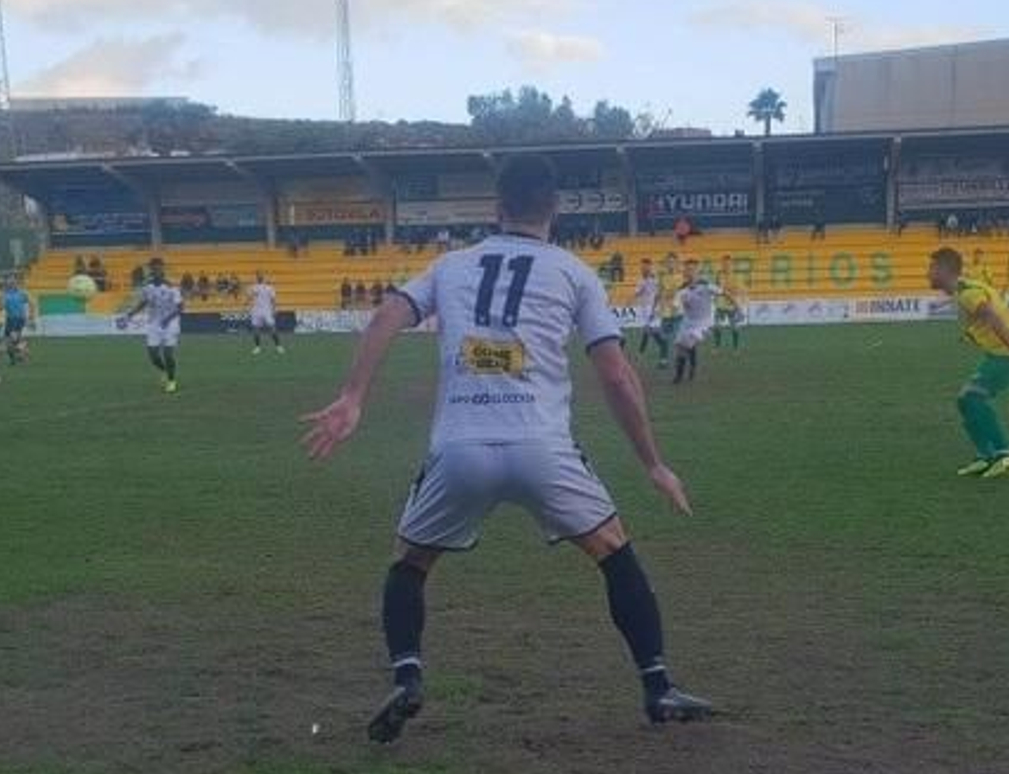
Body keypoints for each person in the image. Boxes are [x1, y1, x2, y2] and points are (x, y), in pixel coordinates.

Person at [301, 155, 711, 741]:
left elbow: (389, 313)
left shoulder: (451, 265)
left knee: (409, 563)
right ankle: (657, 686)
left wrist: (352, 397)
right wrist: (653, 463)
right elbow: (617, 375)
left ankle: (408, 676)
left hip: (460, 447)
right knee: (614, 553)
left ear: (497, 208)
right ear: (555, 212)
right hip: (544, 448)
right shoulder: (573, 273)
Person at [927, 246, 1009, 479]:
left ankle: (1004, 452)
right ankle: (985, 456)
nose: (927, 273)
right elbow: (983, 316)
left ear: (945, 271)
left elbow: (995, 319)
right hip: (998, 353)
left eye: (931, 268)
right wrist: (970, 334)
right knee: (965, 401)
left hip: (1008, 354)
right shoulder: (963, 290)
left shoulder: (968, 293)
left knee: (972, 398)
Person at [121, 257, 183, 394]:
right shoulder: (147, 286)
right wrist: (130, 314)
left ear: (162, 269)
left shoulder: (172, 286)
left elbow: (180, 307)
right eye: (152, 268)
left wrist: (168, 319)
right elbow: (144, 302)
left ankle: (171, 381)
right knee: (153, 355)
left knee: (168, 353)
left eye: (158, 268)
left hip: (171, 322)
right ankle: (164, 370)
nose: (155, 270)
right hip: (154, 322)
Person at [672, 261, 717, 385]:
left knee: (685, 345)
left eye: (692, 270)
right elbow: (676, 305)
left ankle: (680, 375)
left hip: (703, 323)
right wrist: (676, 309)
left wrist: (738, 308)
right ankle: (686, 371)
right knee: (680, 346)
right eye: (687, 270)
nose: (689, 272)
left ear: (697, 271)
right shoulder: (682, 289)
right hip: (687, 322)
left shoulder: (706, 285)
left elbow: (724, 293)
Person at [631, 261, 669, 366]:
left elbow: (659, 294)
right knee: (647, 332)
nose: (643, 269)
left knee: (652, 333)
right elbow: (637, 293)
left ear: (650, 268)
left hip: (654, 310)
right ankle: (660, 355)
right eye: (642, 267)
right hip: (645, 311)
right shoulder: (641, 281)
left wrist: (654, 309)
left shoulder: (655, 281)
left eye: (645, 267)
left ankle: (663, 356)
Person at [1, 274, 34, 366]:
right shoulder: (4, 294)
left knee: (13, 338)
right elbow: (0, 306)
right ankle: (15, 359)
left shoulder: (22, 292)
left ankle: (23, 348)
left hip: (19, 319)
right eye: (9, 280)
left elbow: (32, 303)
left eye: (13, 280)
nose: (11, 282)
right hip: (9, 319)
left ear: (16, 281)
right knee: (7, 342)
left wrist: (31, 317)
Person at [249, 271, 284, 355]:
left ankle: (278, 346)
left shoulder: (269, 288)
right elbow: (249, 298)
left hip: (267, 311)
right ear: (257, 278)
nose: (260, 277)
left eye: (261, 276)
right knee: (256, 330)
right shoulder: (253, 287)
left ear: (263, 277)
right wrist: (247, 305)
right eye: (258, 276)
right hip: (256, 311)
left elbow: (273, 300)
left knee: (272, 328)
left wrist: (274, 309)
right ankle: (257, 347)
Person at [713, 278, 743, 350]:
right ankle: (717, 347)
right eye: (717, 283)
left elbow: (733, 300)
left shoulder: (725, 291)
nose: (718, 284)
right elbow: (715, 300)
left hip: (730, 310)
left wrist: (738, 309)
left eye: (719, 283)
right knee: (717, 327)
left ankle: (735, 348)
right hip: (720, 310)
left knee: (734, 328)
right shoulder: (715, 291)